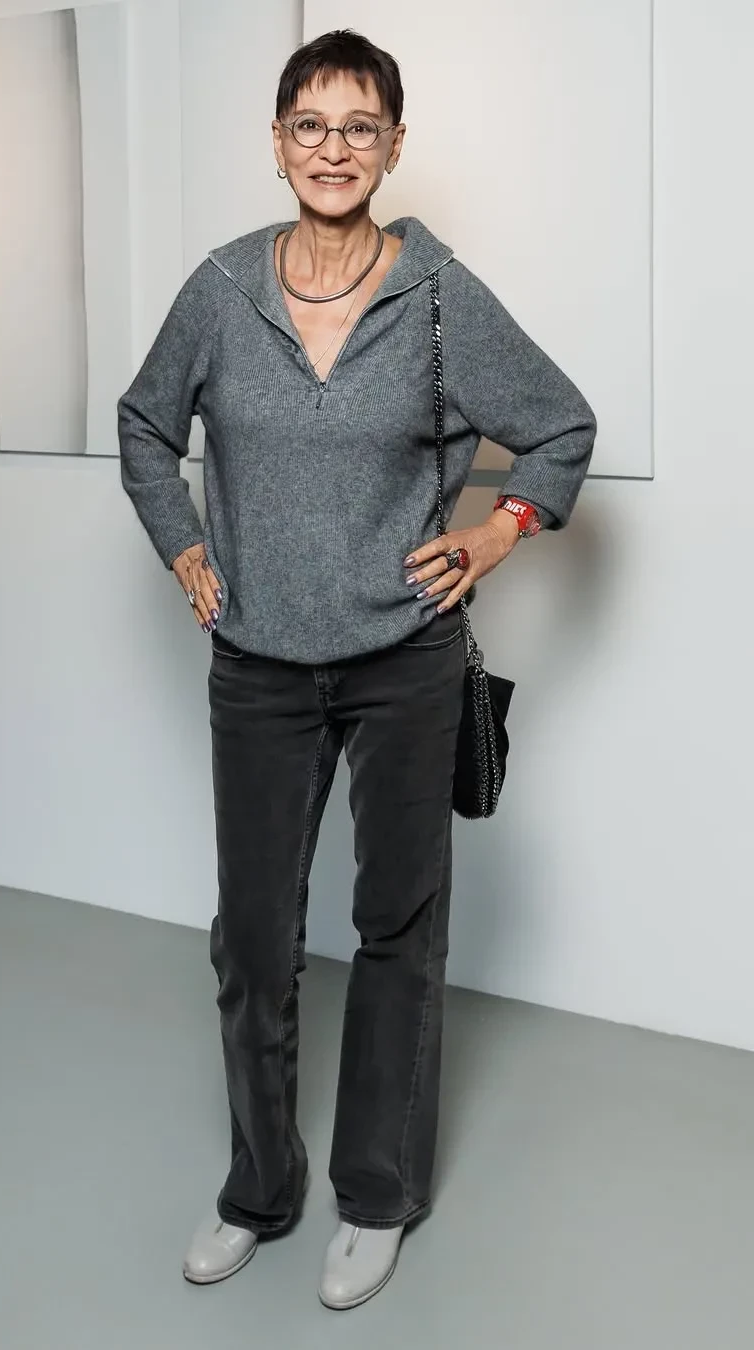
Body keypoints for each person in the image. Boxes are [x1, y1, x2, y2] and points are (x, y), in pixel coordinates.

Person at [118, 29, 596, 1311]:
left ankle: (376, 1196)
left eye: (359, 126)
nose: (334, 148)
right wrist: (183, 545)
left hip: (405, 662)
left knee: (397, 932)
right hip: (259, 666)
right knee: (253, 941)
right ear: (277, 143)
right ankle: (259, 1190)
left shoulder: (438, 297)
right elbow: (145, 425)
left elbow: (561, 426)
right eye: (311, 125)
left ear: (393, 145)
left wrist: (497, 532)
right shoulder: (223, 290)